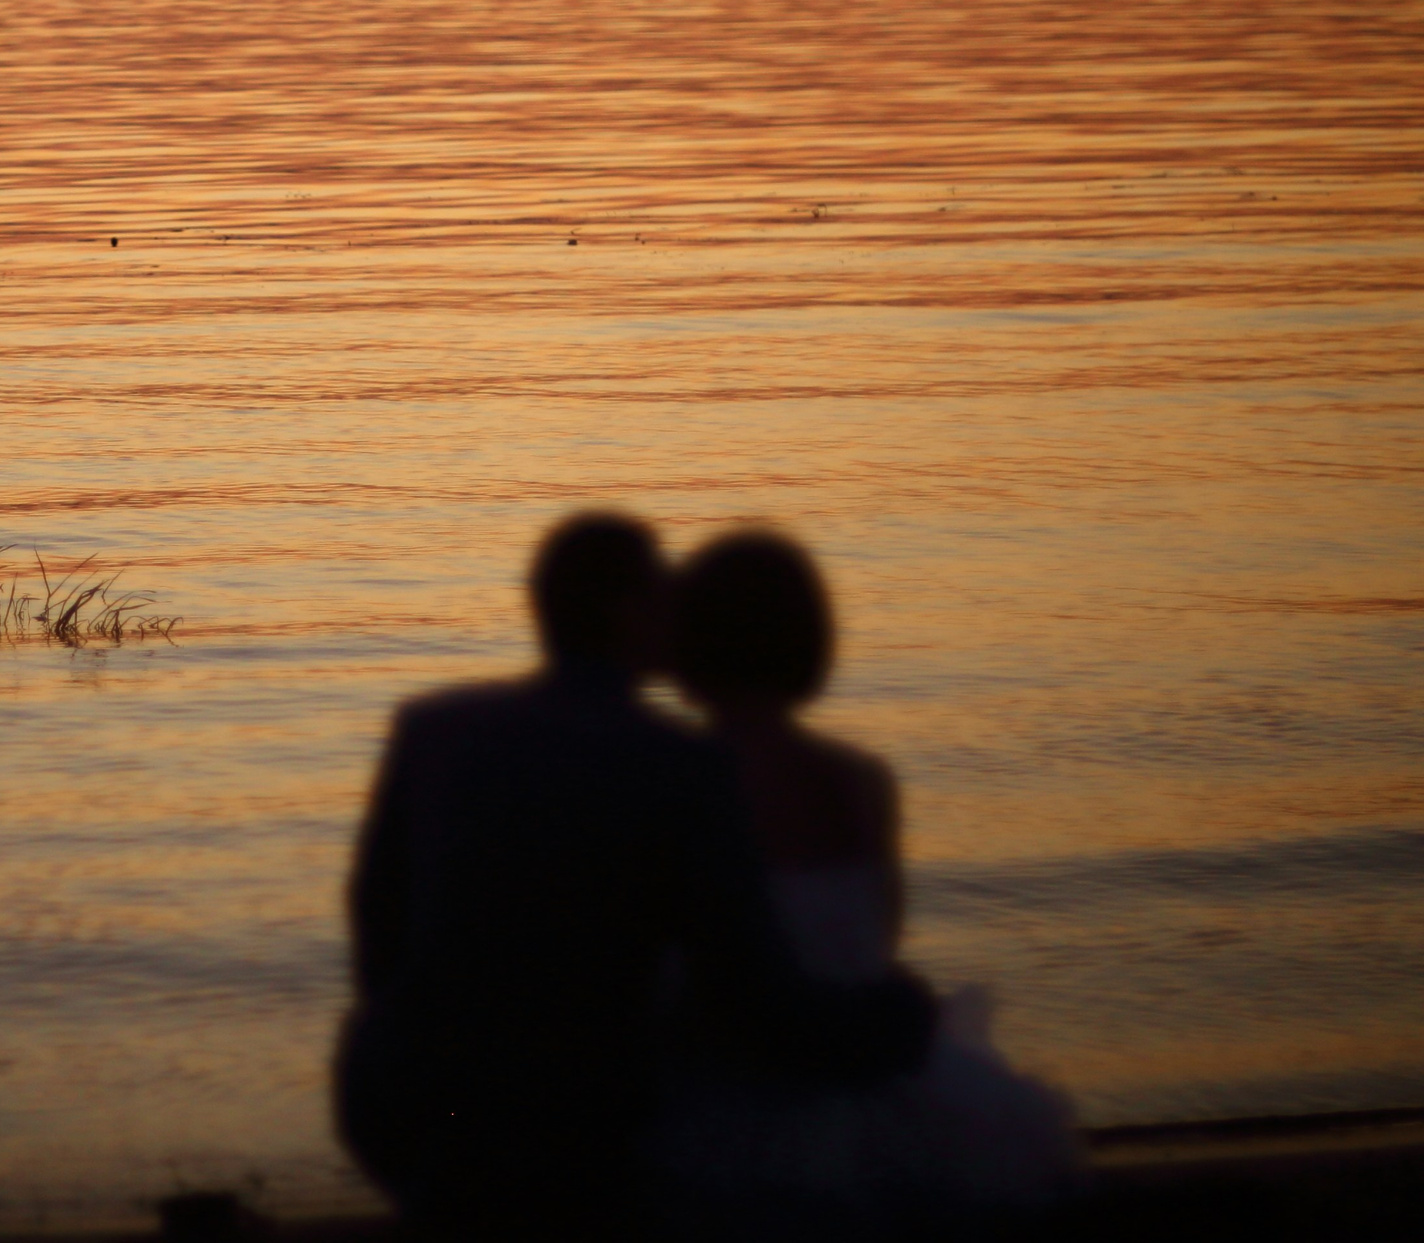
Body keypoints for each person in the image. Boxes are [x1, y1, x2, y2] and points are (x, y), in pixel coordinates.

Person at [335, 512, 937, 1239]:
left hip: (396, 1102)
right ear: (624, 612)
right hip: (566, 1131)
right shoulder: (681, 767)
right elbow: (752, 996)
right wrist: (900, 1021)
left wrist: (416, 1039)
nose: (680, 616)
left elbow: (375, 919)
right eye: (663, 594)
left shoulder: (433, 727)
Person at [654, 530, 1079, 1228]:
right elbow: (878, 939)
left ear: (691, 645)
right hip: (864, 1084)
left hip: (736, 1090)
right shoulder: (862, 782)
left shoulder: (672, 784)